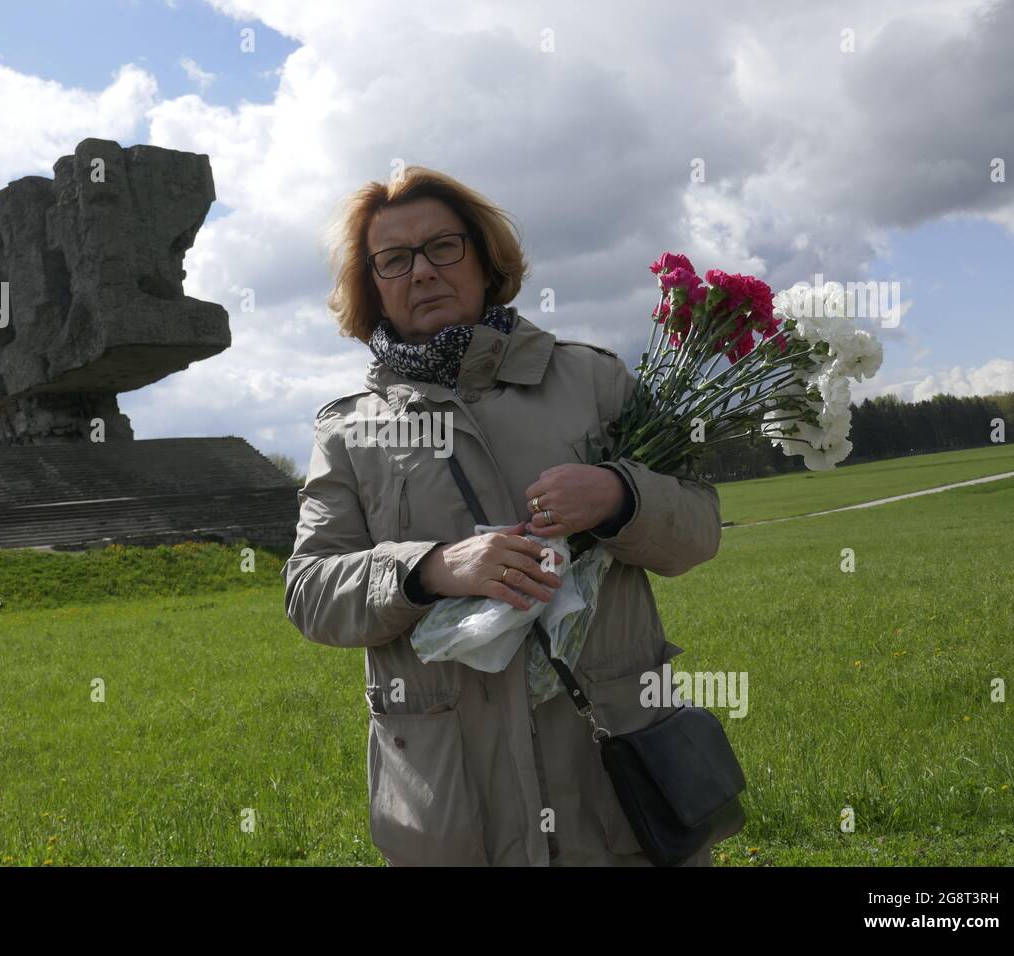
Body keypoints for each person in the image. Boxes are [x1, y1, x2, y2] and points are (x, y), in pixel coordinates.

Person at [281, 166, 722, 866]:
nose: (421, 270)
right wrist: (428, 569)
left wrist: (619, 496)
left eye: (443, 247)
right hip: (453, 815)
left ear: (486, 260)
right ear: (373, 286)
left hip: (617, 795)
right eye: (394, 259)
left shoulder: (592, 381)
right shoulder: (349, 432)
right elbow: (309, 593)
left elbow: (699, 528)